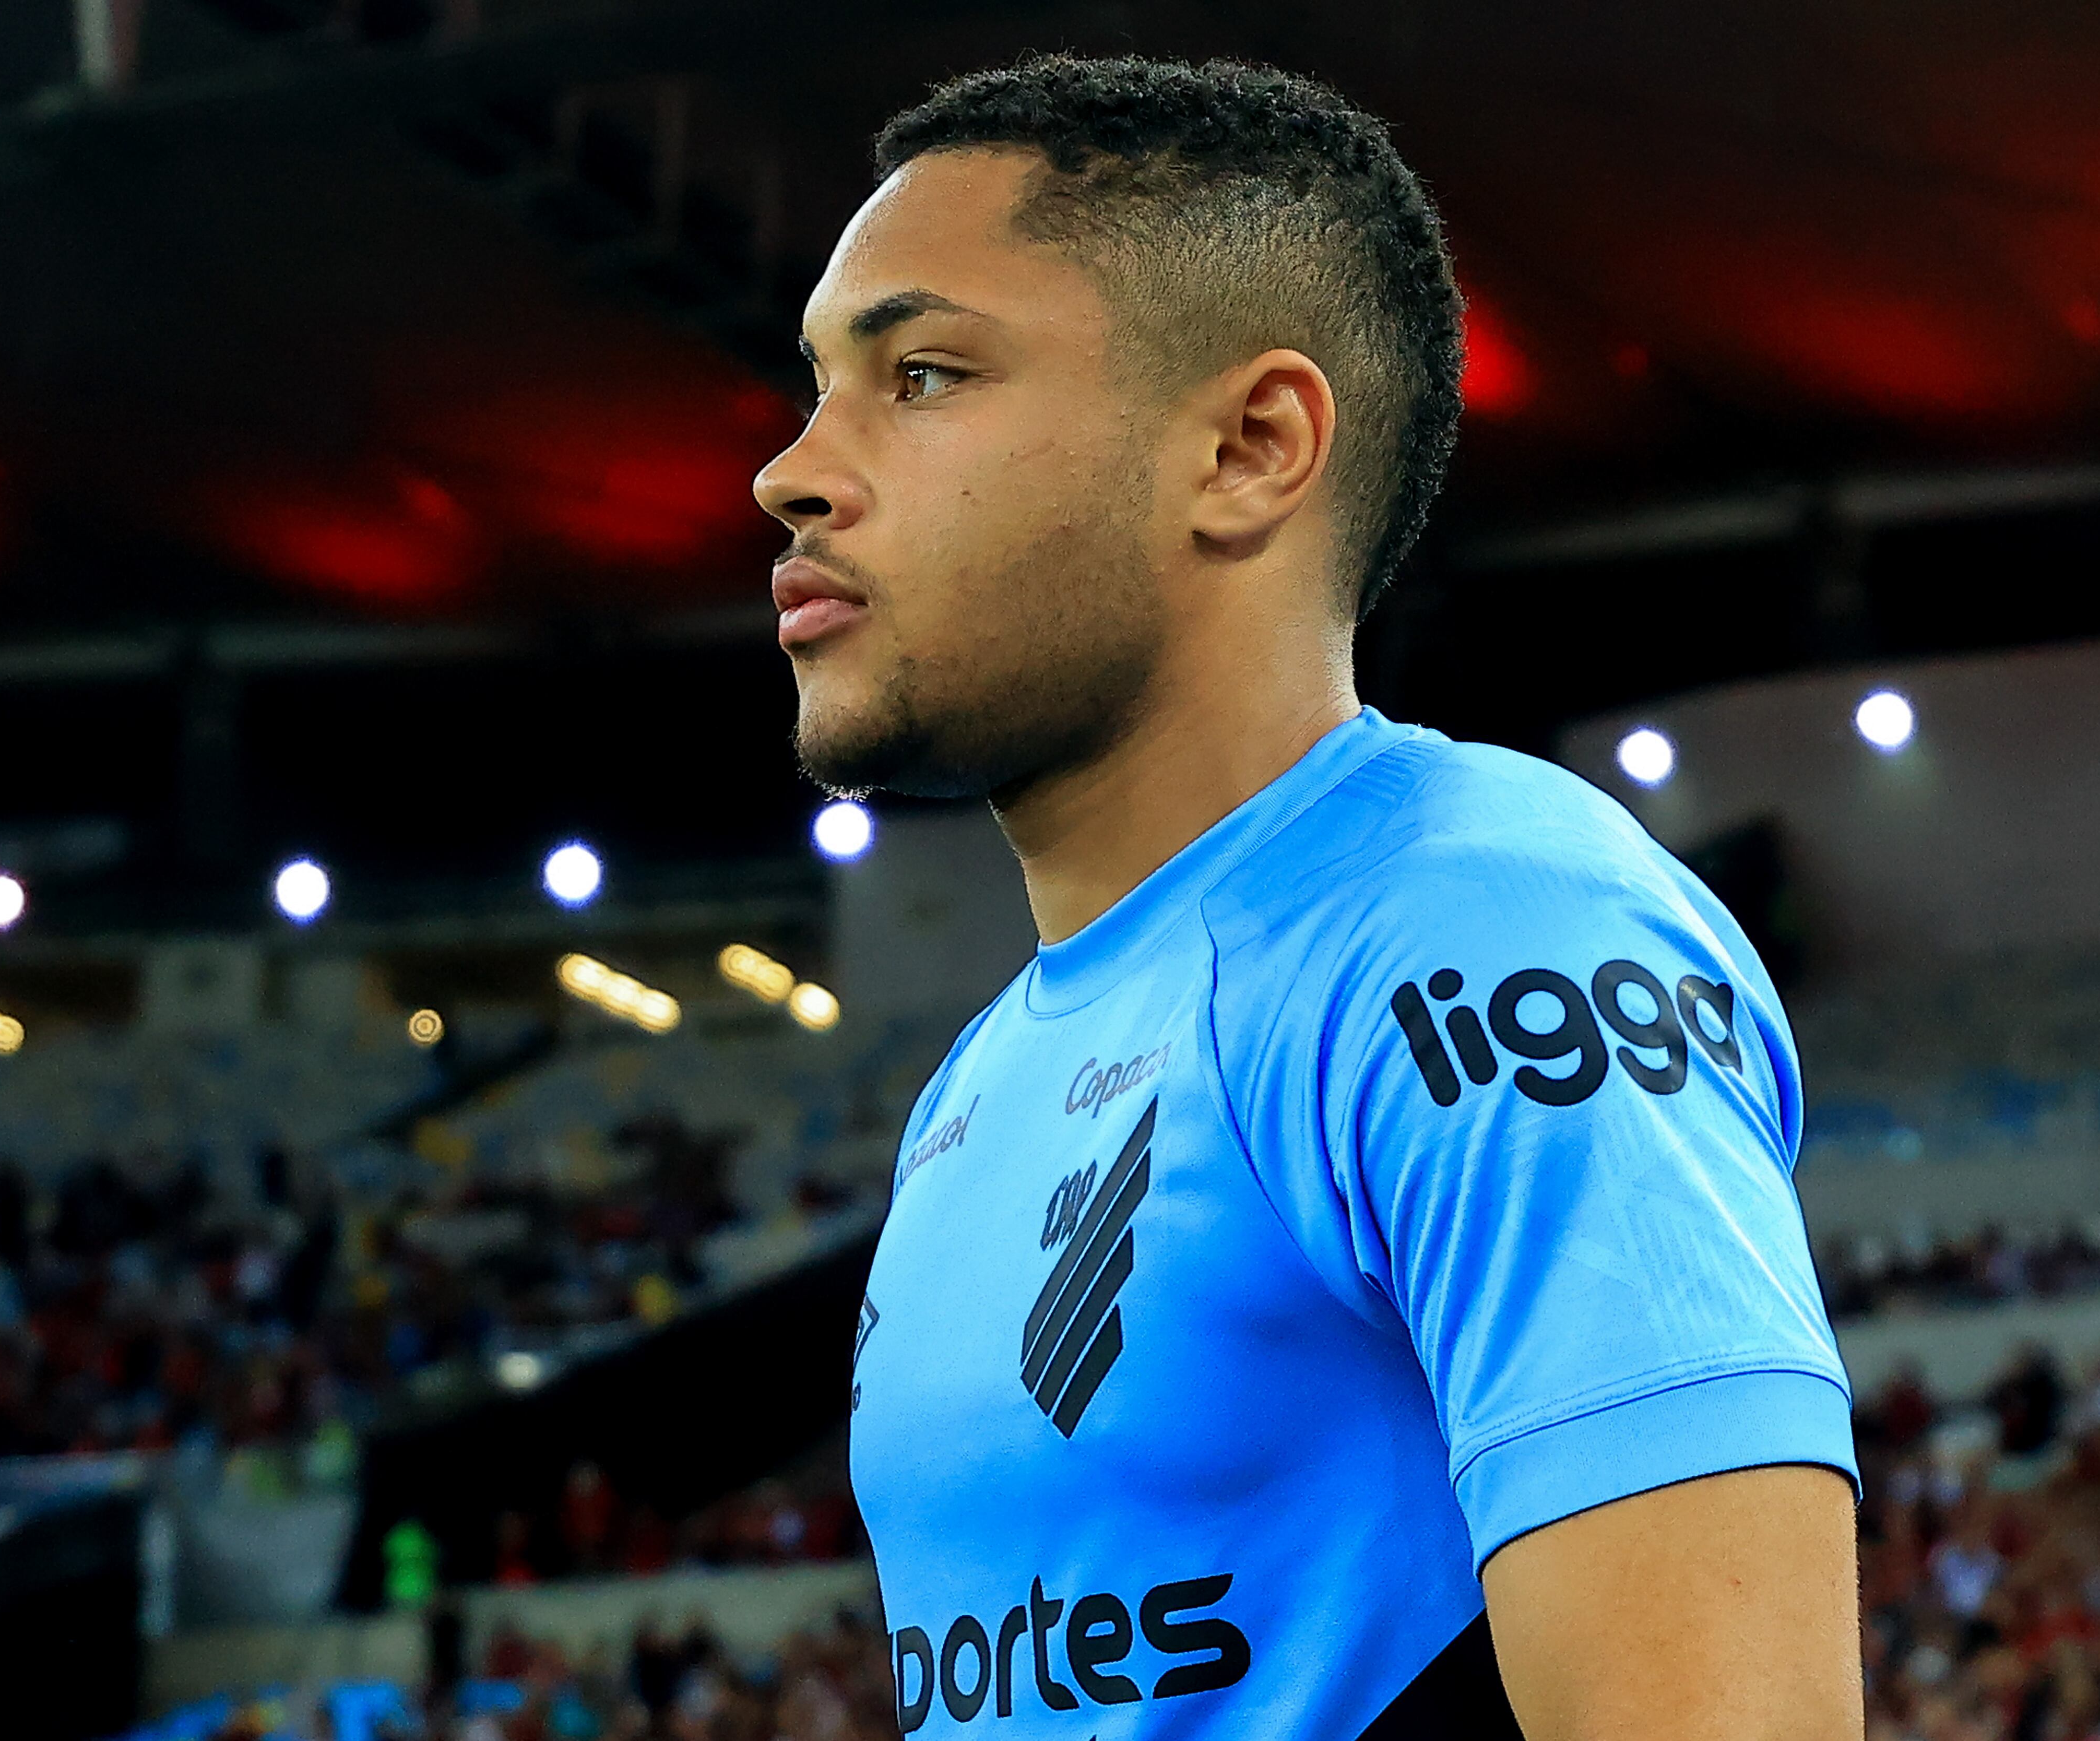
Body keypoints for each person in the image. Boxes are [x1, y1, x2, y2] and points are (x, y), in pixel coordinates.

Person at [755, 54, 1859, 1739]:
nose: (794, 471)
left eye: (919, 374)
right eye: (816, 385)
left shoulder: (1488, 931)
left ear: (1251, 447)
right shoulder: (978, 1088)